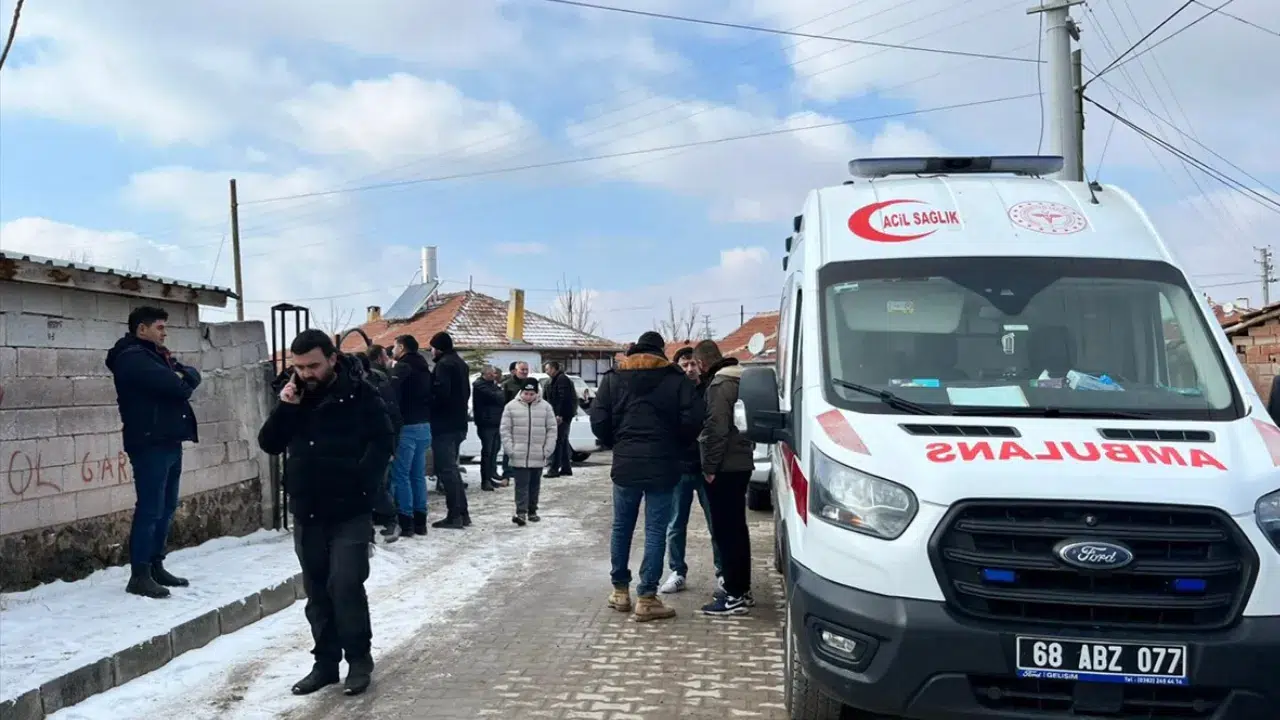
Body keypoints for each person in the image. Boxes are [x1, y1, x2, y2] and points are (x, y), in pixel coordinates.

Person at [257, 330, 393, 697]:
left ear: (333, 358)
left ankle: (359, 661)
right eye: (299, 367)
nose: (306, 373)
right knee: (317, 590)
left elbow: (384, 440)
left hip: (350, 508)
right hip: (308, 509)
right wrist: (286, 407)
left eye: (313, 365)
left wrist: (364, 483)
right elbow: (270, 443)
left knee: (346, 584)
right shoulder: (294, 395)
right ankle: (326, 665)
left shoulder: (361, 393)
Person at [590, 331, 701, 622]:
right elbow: (693, 420)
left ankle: (620, 592)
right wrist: (675, 445)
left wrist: (619, 442)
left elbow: (599, 420)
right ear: (661, 351)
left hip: (625, 463)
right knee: (655, 530)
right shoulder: (675, 379)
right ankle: (648, 598)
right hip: (663, 465)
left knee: (621, 528)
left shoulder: (614, 378)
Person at [105, 306, 202, 599]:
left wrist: (183, 375)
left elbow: (190, 374)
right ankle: (140, 575)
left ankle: (156, 565)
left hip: (168, 439)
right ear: (142, 329)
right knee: (150, 509)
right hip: (149, 442)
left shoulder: (156, 355)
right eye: (159, 327)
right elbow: (179, 386)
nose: (164, 332)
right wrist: (181, 377)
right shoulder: (132, 358)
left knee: (167, 507)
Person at [693, 340, 758, 616]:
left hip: (725, 467)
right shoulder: (741, 378)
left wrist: (709, 467)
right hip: (741, 462)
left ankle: (733, 595)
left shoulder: (720, 385)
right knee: (737, 529)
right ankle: (741, 588)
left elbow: (716, 429)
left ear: (701, 363)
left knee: (726, 531)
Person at [659, 345, 724, 595]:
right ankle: (677, 571)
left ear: (700, 364)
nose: (689, 369)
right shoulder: (672, 392)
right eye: (684, 365)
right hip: (679, 469)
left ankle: (722, 572)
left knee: (715, 523)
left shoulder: (711, 389)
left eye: (692, 364)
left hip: (707, 468)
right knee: (675, 524)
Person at [390, 335, 433, 537]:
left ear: (401, 347)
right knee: (418, 475)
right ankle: (420, 521)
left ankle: (405, 520)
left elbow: (391, 395)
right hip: (425, 425)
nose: (392, 350)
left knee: (401, 475)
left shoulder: (402, 368)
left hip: (406, 426)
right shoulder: (426, 368)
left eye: (395, 347)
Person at [428, 332, 472, 529]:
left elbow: (441, 394)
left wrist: (429, 404)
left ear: (439, 348)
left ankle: (455, 515)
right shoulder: (461, 364)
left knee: (447, 471)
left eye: (432, 348)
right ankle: (462, 513)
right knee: (452, 470)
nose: (431, 351)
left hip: (445, 425)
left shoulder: (444, 365)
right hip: (459, 423)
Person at [500, 378, 557, 526]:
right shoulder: (510, 407)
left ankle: (532, 510)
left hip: (538, 452)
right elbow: (505, 430)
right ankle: (521, 512)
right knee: (521, 485)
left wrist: (547, 449)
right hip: (518, 453)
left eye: (532, 393)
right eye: (526, 393)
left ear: (537, 393)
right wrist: (510, 449)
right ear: (521, 392)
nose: (529, 396)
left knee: (534, 484)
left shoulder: (546, 408)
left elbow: (552, 429)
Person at [363, 346, 402, 543]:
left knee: (375, 486)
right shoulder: (383, 380)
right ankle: (384, 521)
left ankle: (386, 520)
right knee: (376, 486)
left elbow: (391, 416)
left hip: (374, 444)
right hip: (376, 443)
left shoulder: (376, 384)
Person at [472, 365, 506, 491]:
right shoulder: (479, 385)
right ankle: (485, 480)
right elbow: (499, 397)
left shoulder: (492, 385)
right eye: (492, 374)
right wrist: (500, 390)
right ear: (485, 374)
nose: (495, 376)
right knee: (487, 451)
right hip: (486, 422)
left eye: (495, 374)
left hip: (496, 421)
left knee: (494, 450)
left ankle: (491, 476)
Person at [543, 361, 578, 478]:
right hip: (561, 415)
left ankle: (554, 468)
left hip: (562, 416)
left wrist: (559, 415)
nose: (546, 371)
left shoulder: (562, 379)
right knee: (562, 441)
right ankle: (566, 467)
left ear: (554, 369)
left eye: (547, 369)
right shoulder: (554, 380)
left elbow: (563, 398)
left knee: (558, 441)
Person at [500, 361, 532, 479]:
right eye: (522, 370)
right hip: (512, 418)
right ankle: (507, 470)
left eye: (526, 369)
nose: (524, 372)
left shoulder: (530, 384)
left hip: (527, 419)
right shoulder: (507, 384)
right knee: (509, 445)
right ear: (515, 371)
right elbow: (504, 403)